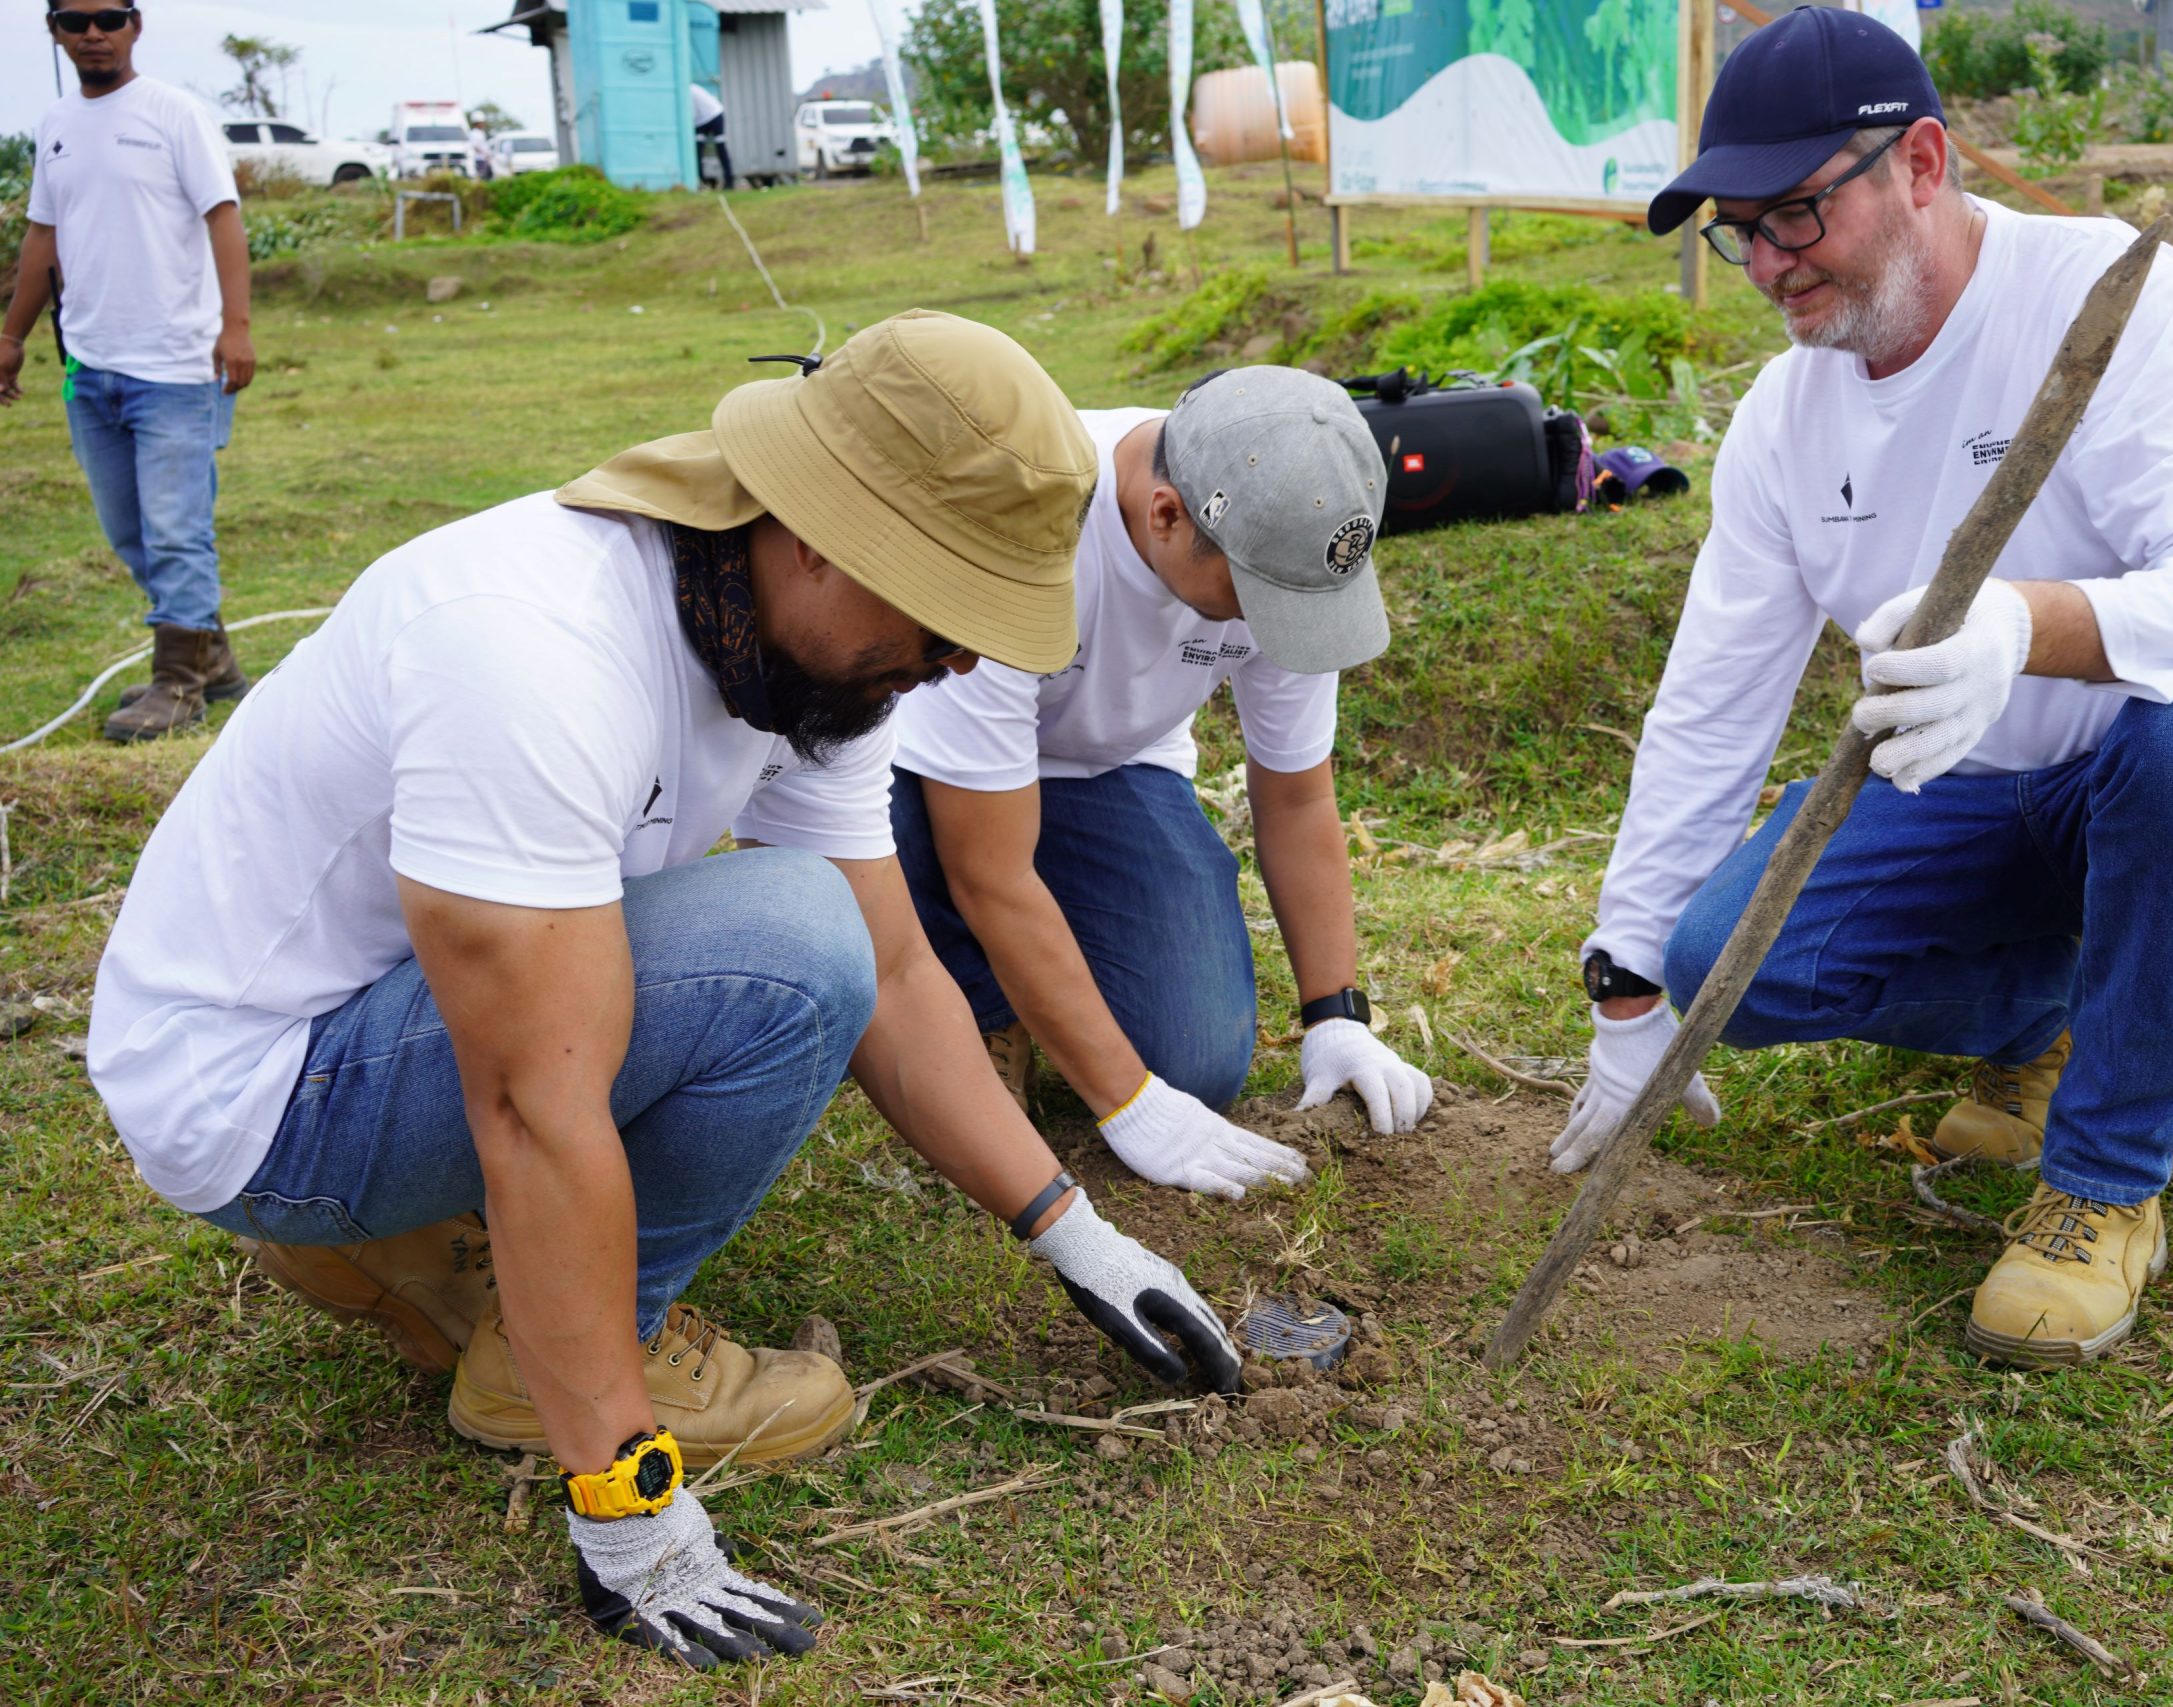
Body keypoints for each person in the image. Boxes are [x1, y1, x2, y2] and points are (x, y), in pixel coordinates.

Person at [85, 311, 1241, 1672]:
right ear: (823, 535)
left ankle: (396, 1236)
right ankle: (549, 1349)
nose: (962, 663)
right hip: (259, 1093)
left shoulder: (798, 652)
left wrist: (1074, 1231)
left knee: (826, 938)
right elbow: (533, 1104)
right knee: (789, 945)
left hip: (361, 1020)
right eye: (947, 616)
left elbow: (903, 968)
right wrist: (626, 1503)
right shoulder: (537, 652)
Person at [1559, 7, 2173, 1370]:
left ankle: (2105, 1186)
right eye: (1737, 229)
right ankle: (2046, 1012)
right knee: (1721, 957)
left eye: (1796, 218)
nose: (1766, 263)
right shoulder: (1784, 419)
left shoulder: (2120, 302)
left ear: (1923, 163)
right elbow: (1714, 697)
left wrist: (2029, 622)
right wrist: (1630, 984)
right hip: (1988, 803)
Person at [890, 366, 1434, 1198]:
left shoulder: (1290, 538)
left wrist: (1336, 1015)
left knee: (1199, 1057)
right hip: (923, 758)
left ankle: (1050, 969)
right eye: (1255, 598)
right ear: (1166, 516)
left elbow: (1296, 796)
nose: (1271, 624)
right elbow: (989, 870)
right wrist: (1128, 1103)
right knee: (916, 842)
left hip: (1107, 765)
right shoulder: (1027, 523)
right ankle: (979, 1006)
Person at [1, 3, 257, 743]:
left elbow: (224, 216)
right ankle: (213, 658)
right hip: (91, 364)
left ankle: (178, 684)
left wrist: (235, 327)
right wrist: (12, 335)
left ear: (135, 27)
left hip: (178, 364)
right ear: (53, 31)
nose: (93, 32)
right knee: (131, 531)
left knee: (177, 529)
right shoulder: (53, 125)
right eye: (74, 19)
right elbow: (42, 236)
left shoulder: (174, 113)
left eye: (109, 17)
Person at [691, 81, 734, 191]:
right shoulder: (692, 88)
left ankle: (729, 180)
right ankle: (702, 180)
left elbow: (691, 114)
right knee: (698, 150)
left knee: (720, 147)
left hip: (715, 115)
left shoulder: (689, 91)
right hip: (701, 120)